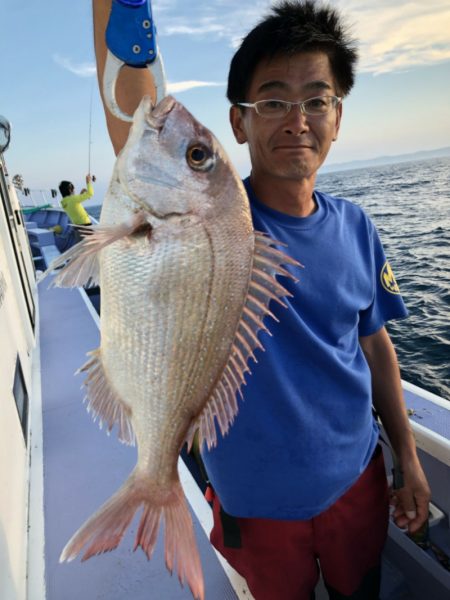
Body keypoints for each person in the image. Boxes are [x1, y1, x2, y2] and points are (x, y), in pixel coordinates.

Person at [93, 1, 431, 599]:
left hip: (358, 482)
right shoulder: (214, 218)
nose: (297, 120)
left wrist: (407, 455)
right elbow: (135, 111)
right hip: (256, 506)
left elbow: (377, 349)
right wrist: (122, 10)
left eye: (316, 100)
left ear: (337, 116)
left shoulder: (358, 227)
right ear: (240, 121)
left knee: (363, 590)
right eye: (273, 101)